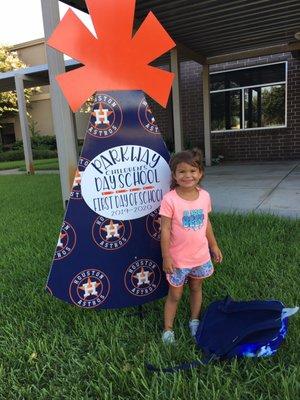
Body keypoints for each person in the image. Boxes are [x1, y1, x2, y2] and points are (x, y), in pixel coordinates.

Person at [159, 148, 222, 344]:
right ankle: (168, 329)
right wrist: (166, 257)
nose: (188, 176)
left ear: (200, 173)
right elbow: (165, 230)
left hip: (200, 256)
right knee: (175, 294)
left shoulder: (204, 196)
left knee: (196, 287)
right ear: (174, 175)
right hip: (178, 259)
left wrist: (214, 245)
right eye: (182, 171)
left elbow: (207, 223)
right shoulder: (170, 199)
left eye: (193, 171)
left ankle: (194, 320)